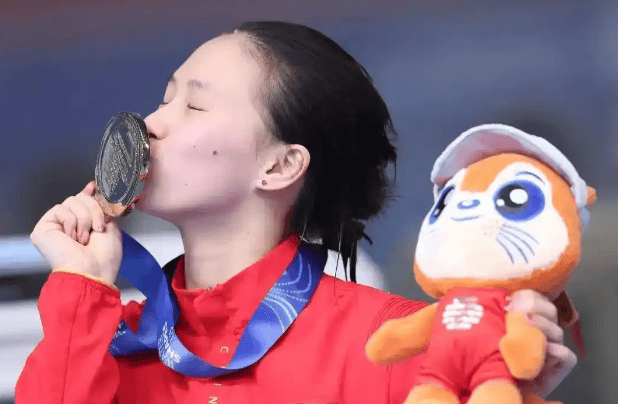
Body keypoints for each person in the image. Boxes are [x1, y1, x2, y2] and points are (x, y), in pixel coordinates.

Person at [16, 21, 576, 404]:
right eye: (164, 99)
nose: (150, 124)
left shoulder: (397, 347)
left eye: (193, 105)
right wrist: (82, 285)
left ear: (280, 166)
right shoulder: (108, 341)